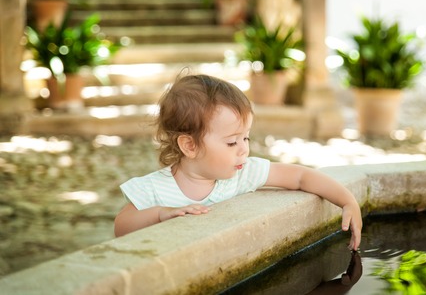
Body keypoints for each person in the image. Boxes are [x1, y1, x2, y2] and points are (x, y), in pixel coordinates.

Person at [114, 74, 362, 250]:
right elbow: (121, 227)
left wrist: (347, 200)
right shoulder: (155, 189)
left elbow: (300, 177)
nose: (244, 148)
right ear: (189, 145)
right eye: (232, 142)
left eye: (246, 137)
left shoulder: (244, 172)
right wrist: (160, 214)